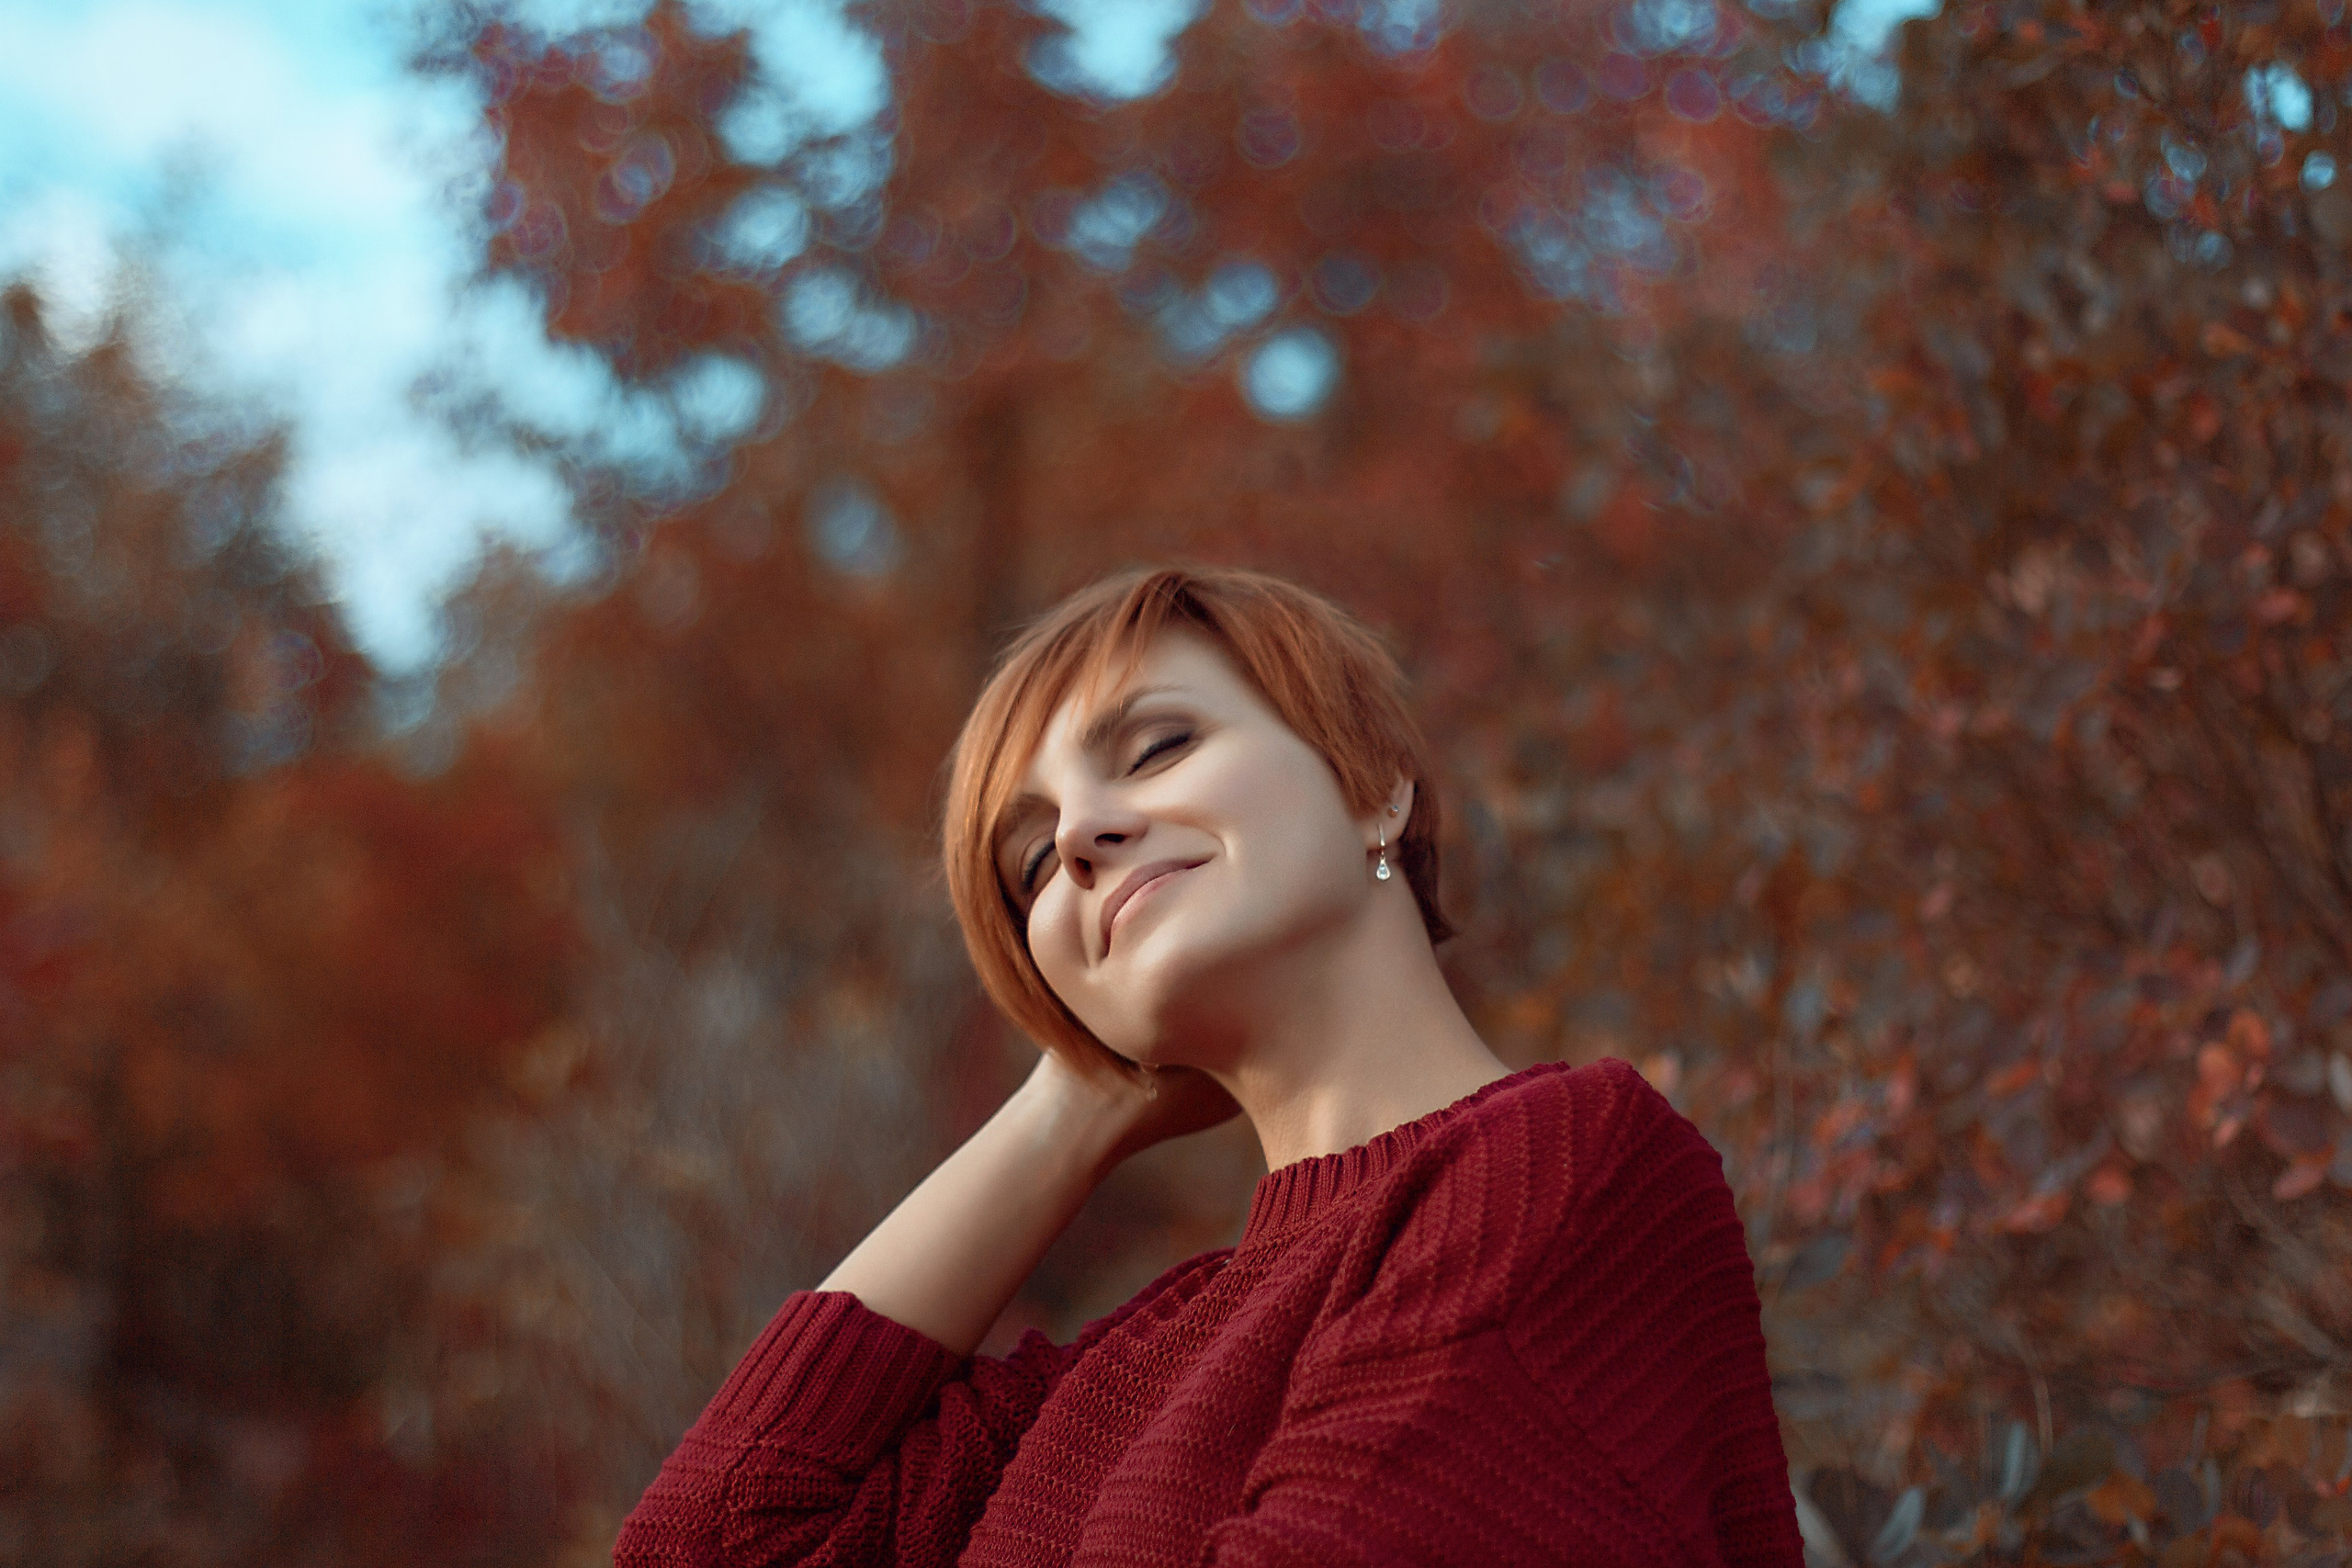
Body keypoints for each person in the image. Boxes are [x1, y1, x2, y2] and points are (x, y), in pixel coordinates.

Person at [614, 566, 1804, 1567]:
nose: (1079, 836)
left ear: (1373, 787)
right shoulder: (1136, 1359)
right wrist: (1064, 1112)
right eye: (1032, 863)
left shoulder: (1573, 1166)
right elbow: (715, 1546)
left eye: (1158, 745)